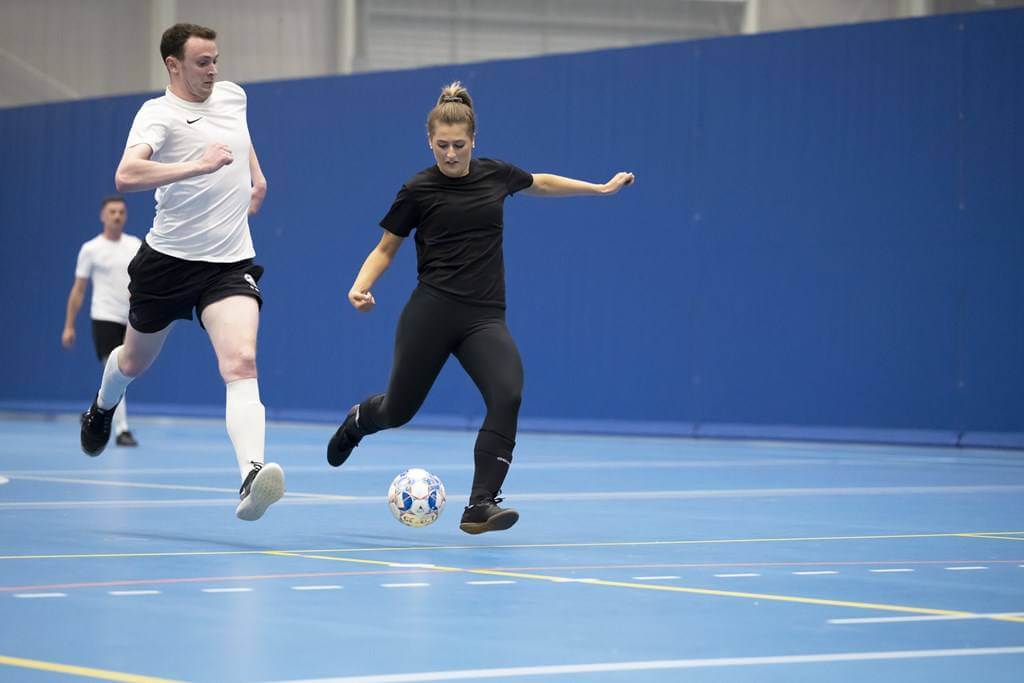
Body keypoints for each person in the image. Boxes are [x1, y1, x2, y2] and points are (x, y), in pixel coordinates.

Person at [327, 82, 634, 534]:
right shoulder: (417, 189)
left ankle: (480, 505)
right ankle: (357, 422)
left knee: (507, 393)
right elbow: (386, 248)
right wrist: (360, 285)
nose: (450, 155)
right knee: (397, 412)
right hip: (431, 312)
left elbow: (541, 182)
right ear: (428, 141)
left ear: (474, 141)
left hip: (484, 317)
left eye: (459, 145)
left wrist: (599, 188)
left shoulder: (496, 174)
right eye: (442, 146)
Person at [78, 23, 284, 521]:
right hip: (167, 263)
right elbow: (126, 176)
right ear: (173, 65)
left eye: (216, 60)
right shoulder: (158, 115)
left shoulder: (233, 96)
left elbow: (238, 135)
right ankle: (103, 408)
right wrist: (196, 165)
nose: (213, 70)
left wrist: (255, 173)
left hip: (228, 262)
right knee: (131, 362)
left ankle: (252, 474)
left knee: (242, 361)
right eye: (202, 62)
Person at [63, 195, 142, 447]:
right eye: (112, 212)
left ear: (125, 216)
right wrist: (69, 325)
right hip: (103, 316)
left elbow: (143, 281)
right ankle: (122, 430)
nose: (116, 216)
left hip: (130, 318)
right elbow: (78, 290)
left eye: (120, 212)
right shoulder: (91, 249)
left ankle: (95, 412)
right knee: (117, 369)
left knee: (124, 372)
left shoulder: (135, 245)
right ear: (103, 216)